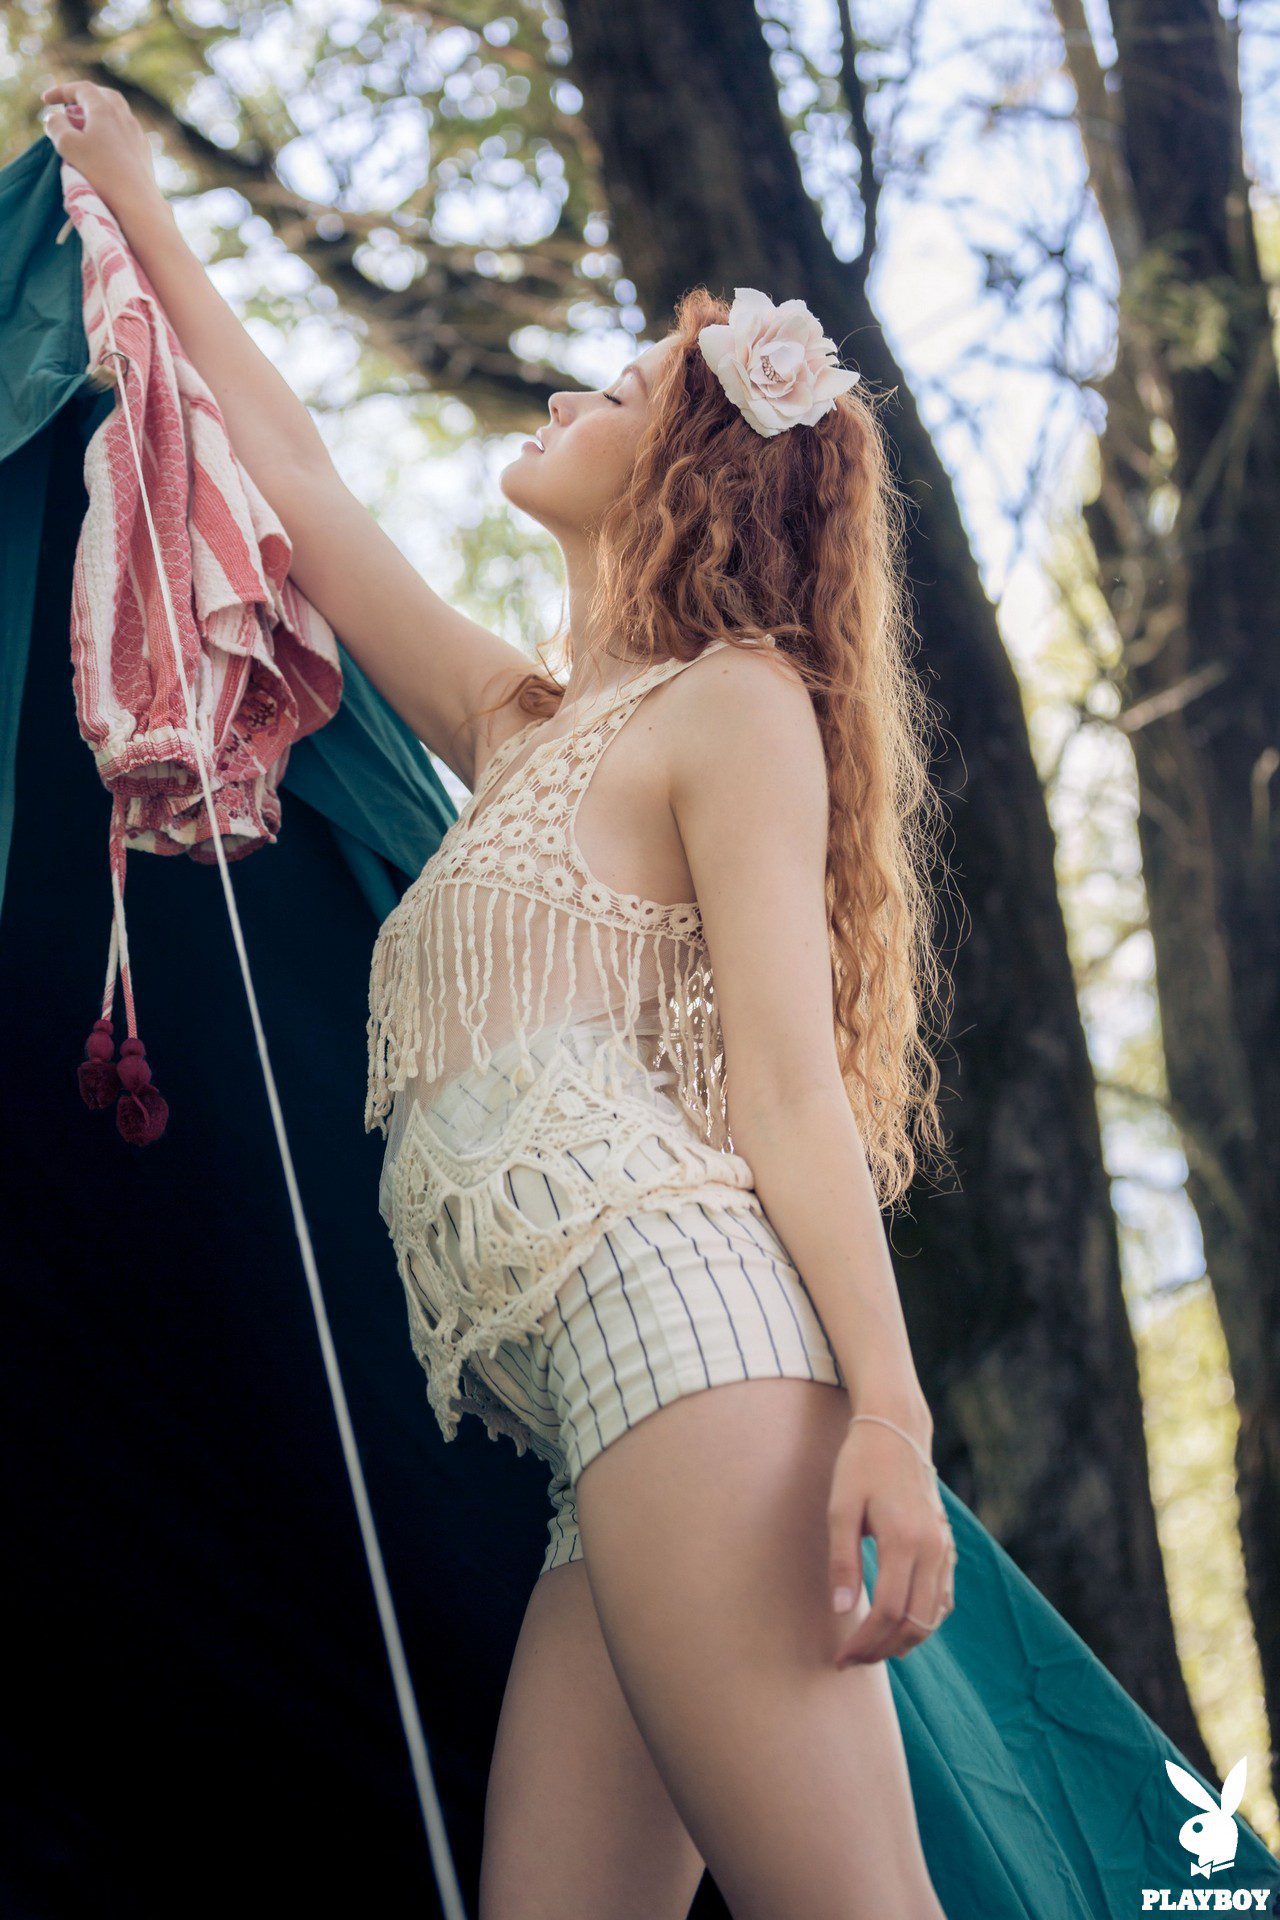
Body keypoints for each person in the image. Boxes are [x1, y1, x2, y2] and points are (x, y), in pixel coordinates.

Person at [44, 80, 1280, 1920]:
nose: (564, 398)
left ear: (694, 472)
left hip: (686, 1341)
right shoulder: (522, 727)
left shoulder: (737, 704)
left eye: (615, 393)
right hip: (595, 1425)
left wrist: (890, 1420)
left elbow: (786, 1091)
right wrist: (141, 209)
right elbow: (298, 483)